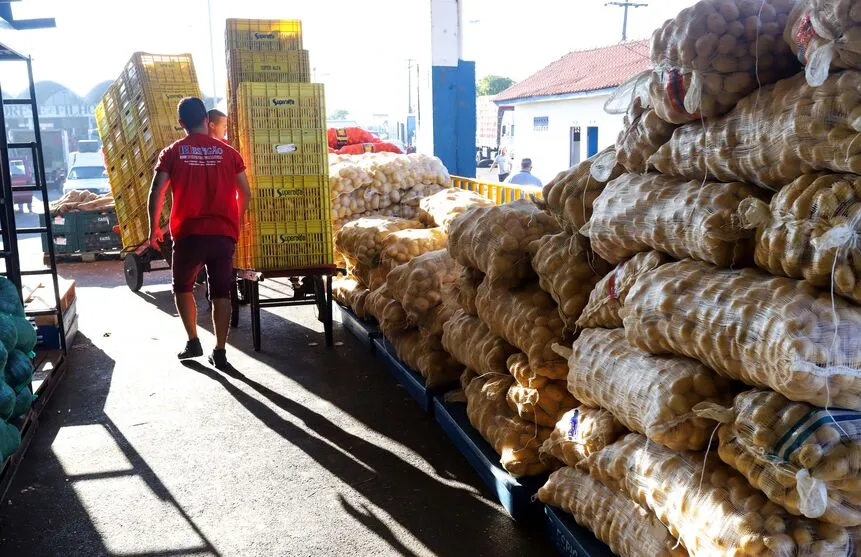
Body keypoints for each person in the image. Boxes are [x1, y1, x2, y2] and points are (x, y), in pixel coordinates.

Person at [147, 97, 251, 370]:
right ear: (207, 120)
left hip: (188, 235)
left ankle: (193, 340)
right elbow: (245, 192)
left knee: (182, 287)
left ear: (181, 123)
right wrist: (234, 222)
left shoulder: (172, 152)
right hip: (222, 234)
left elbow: (156, 190)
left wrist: (153, 227)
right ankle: (220, 350)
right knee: (221, 293)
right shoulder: (230, 153)